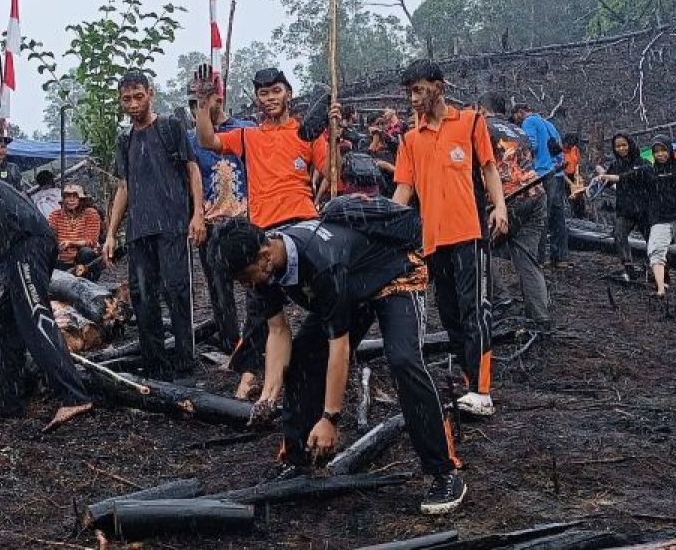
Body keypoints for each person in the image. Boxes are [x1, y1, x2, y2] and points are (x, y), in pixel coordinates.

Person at [209, 202, 466, 516]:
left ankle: (444, 472)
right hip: (350, 288)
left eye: (245, 279)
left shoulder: (318, 262)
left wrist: (331, 418)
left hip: (393, 275)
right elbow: (278, 332)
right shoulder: (265, 268)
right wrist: (268, 395)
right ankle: (298, 458)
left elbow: (339, 347)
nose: (245, 286)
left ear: (264, 258)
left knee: (403, 360)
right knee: (304, 358)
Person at [195, 66, 328, 397]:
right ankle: (252, 374)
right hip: (264, 230)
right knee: (261, 307)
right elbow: (207, 140)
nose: (271, 99)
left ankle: (328, 363)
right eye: (264, 93)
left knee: (322, 297)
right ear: (256, 98)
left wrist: (333, 133)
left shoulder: (306, 133)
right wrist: (202, 103)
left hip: (304, 226)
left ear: (289, 93)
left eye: (276, 91)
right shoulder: (247, 135)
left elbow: (330, 170)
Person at [391, 60, 508, 417]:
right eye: (409, 92)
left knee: (475, 308)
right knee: (450, 312)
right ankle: (466, 377)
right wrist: (383, 227)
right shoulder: (410, 140)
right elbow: (404, 190)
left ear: (439, 87)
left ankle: (482, 391)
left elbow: (488, 168)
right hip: (432, 238)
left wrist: (499, 207)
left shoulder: (472, 122)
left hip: (470, 231)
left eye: (419, 90)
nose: (413, 99)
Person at [0, 171, 92, 429]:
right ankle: (9, 405)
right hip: (26, 246)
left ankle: (74, 396)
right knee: (5, 323)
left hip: (29, 245)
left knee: (35, 317)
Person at [105, 70, 206, 382]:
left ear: (151, 93)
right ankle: (155, 367)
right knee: (143, 297)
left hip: (173, 224)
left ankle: (185, 365)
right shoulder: (125, 141)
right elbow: (124, 187)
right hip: (139, 229)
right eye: (126, 99)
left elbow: (193, 170)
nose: (133, 104)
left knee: (177, 291)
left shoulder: (170, 128)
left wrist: (198, 213)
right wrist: (110, 233)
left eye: (138, 96)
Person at [186, 68, 254, 353]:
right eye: (192, 104)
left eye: (203, 100)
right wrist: (197, 216)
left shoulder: (246, 130)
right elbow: (194, 181)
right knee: (218, 287)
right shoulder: (191, 140)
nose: (197, 109)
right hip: (211, 222)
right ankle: (231, 345)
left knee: (255, 283)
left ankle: (257, 340)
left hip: (243, 220)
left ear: (219, 98)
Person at [598, 136, 676, 306]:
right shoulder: (647, 171)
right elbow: (624, 177)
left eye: (663, 150)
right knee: (655, 249)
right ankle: (659, 288)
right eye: (656, 151)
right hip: (656, 217)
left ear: (669, 151)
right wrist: (603, 177)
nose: (660, 154)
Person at [477, 92, 551, 332]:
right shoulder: (518, 129)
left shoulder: (482, 126)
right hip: (536, 193)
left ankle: (500, 299)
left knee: (477, 247)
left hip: (508, 198)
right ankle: (540, 317)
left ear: (482, 109)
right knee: (527, 258)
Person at [511, 104, 567, 268]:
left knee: (541, 216)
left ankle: (540, 258)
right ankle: (561, 257)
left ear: (520, 112)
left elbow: (531, 145)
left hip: (541, 173)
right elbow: (558, 147)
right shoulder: (547, 123)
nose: (516, 122)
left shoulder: (528, 122)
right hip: (556, 173)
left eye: (515, 117)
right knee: (558, 217)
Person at [595, 133, 654, 282]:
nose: (621, 148)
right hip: (625, 209)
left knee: (651, 240)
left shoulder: (643, 162)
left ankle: (654, 269)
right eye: (618, 146)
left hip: (644, 209)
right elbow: (606, 182)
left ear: (630, 145)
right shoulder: (616, 165)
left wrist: (618, 178)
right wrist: (601, 177)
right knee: (619, 235)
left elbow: (639, 175)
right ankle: (628, 268)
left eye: (624, 145)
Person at [49, 183, 104, 282]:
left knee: (87, 252)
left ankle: (88, 283)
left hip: (84, 261)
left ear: (81, 199)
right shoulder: (55, 215)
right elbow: (51, 237)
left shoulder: (91, 213)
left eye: (75, 196)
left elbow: (91, 241)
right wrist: (57, 246)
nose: (71, 200)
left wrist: (70, 243)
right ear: (64, 199)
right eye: (68, 197)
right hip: (62, 260)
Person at [562, 133, 587, 219]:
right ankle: (572, 216)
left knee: (579, 195)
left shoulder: (575, 149)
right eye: (569, 145)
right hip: (563, 177)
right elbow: (561, 171)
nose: (570, 147)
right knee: (570, 195)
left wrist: (577, 174)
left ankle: (581, 216)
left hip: (574, 174)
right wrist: (570, 183)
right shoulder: (560, 152)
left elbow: (577, 163)